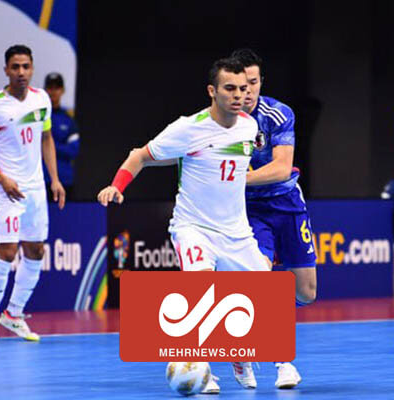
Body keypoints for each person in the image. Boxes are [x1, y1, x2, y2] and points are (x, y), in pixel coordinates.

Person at [97, 57, 269, 393]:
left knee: (263, 297)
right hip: (194, 227)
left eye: (243, 88)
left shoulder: (250, 127)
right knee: (201, 290)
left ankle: (237, 352)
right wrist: (117, 186)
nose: (238, 94)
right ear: (212, 91)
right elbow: (140, 155)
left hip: (236, 232)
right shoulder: (188, 128)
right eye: (229, 88)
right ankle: (200, 369)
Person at [0, 45, 66, 343]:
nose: (21, 72)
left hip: (36, 189)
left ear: (32, 68)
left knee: (36, 251)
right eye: (15, 67)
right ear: (6, 70)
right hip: (5, 190)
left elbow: (47, 138)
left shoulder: (42, 99)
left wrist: (54, 179)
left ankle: (13, 314)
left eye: (26, 66)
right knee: (7, 251)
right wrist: (1, 178)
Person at [231, 48, 313, 389]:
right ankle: (282, 361)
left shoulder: (278, 114)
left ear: (261, 81)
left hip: (287, 204)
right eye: (240, 85)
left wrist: (236, 177)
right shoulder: (221, 122)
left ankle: (257, 317)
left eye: (253, 83)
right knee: (261, 278)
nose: (247, 91)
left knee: (306, 292)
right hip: (250, 210)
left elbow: (281, 168)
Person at [43, 72, 79, 199]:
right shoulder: (38, 117)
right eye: (50, 88)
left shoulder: (68, 119)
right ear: (45, 90)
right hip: (41, 180)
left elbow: (73, 150)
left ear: (62, 90)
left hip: (64, 179)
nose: (53, 92)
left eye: (57, 88)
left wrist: (47, 145)